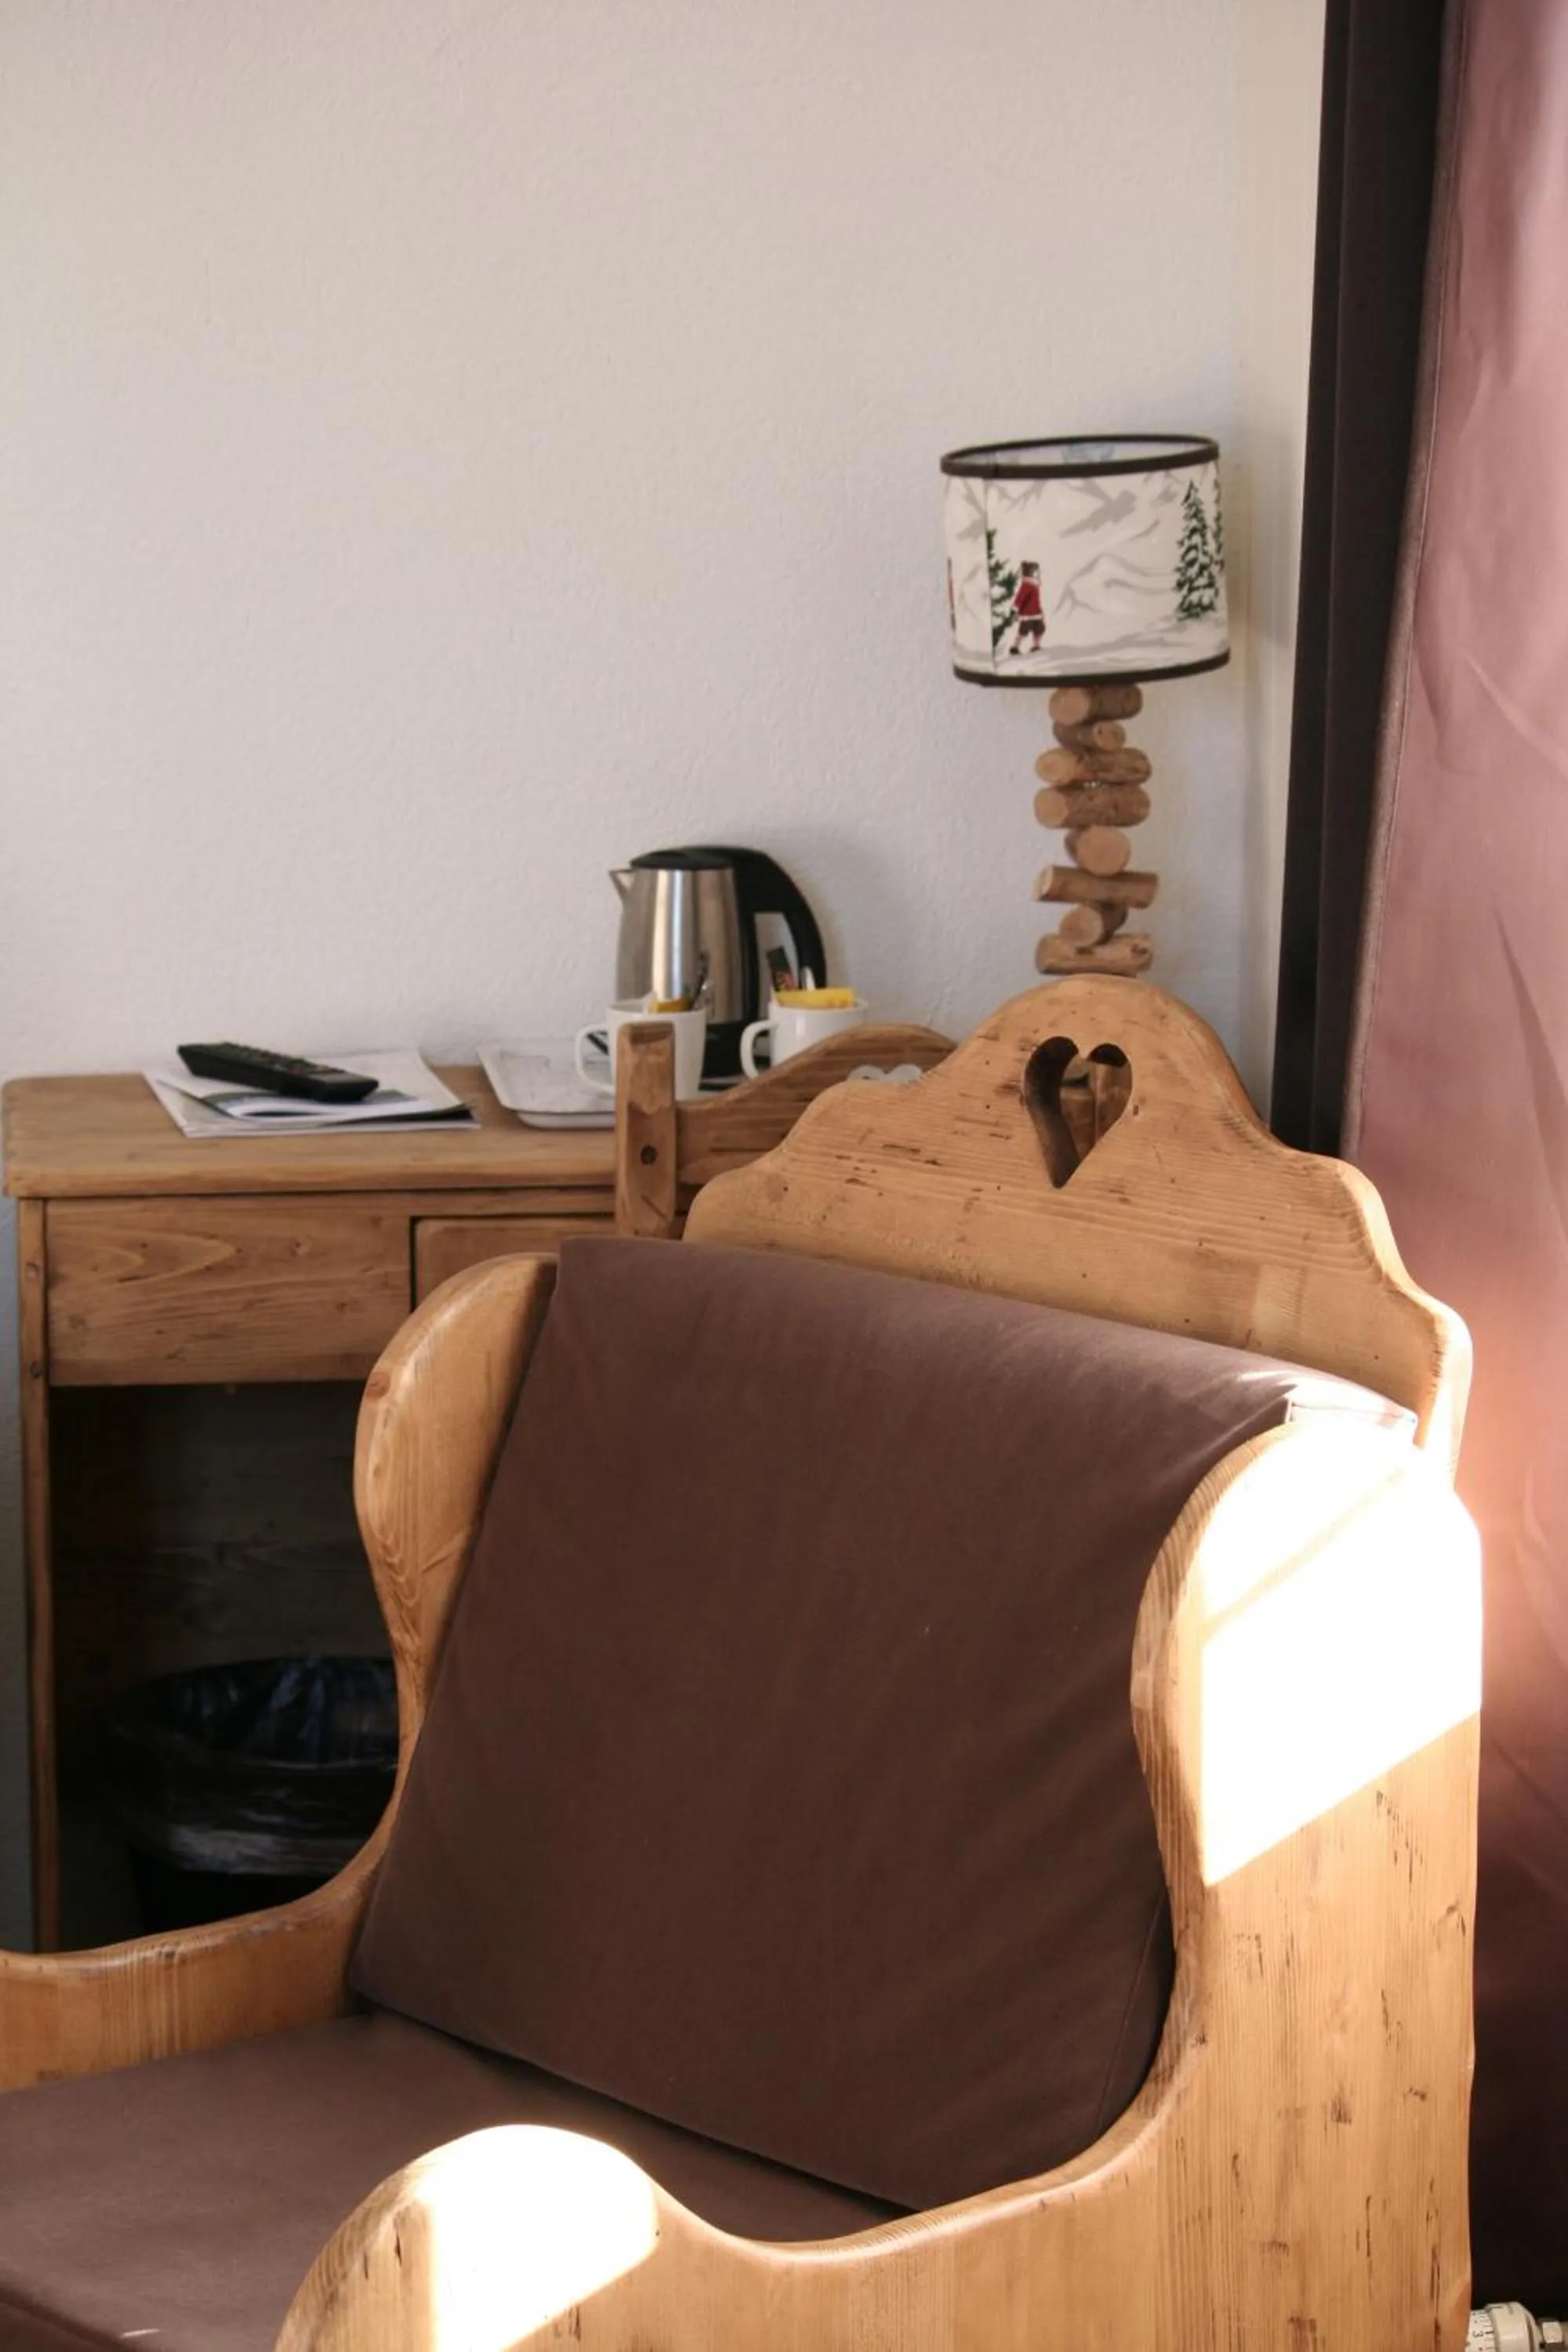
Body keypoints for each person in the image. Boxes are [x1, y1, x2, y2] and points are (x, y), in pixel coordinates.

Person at [1011, 561, 1046, 653]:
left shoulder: (1034, 585)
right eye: (1035, 571)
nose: (1037, 573)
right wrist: (1015, 610)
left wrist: (1040, 610)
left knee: (1039, 629)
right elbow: (1019, 598)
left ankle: (1036, 645)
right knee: (1023, 632)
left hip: (1036, 613)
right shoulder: (1026, 585)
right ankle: (1015, 647)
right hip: (1027, 614)